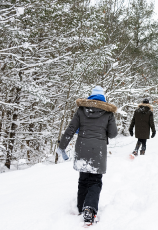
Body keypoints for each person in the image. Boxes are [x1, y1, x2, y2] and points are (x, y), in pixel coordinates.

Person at [57, 86, 118, 225]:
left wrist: (62, 147)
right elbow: (113, 133)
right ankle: (89, 209)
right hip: (99, 150)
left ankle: (80, 207)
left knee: (83, 179)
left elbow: (71, 129)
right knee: (95, 181)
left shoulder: (81, 110)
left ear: (91, 96)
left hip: (82, 149)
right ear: (103, 97)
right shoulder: (108, 113)